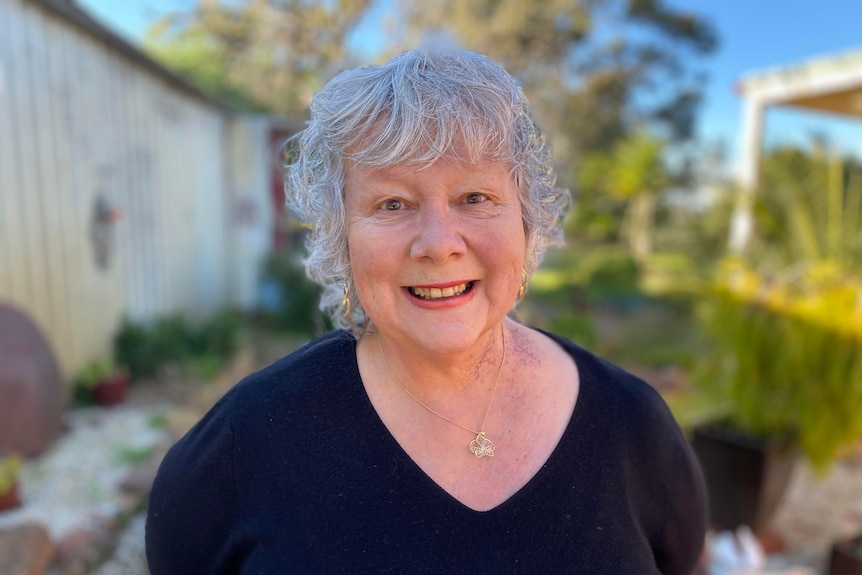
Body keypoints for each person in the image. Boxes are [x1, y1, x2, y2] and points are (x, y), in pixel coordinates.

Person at [146, 48, 707, 574]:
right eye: (393, 204)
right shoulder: (252, 438)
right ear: (343, 239)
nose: (439, 244)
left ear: (527, 222)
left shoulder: (633, 423)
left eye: (474, 198)